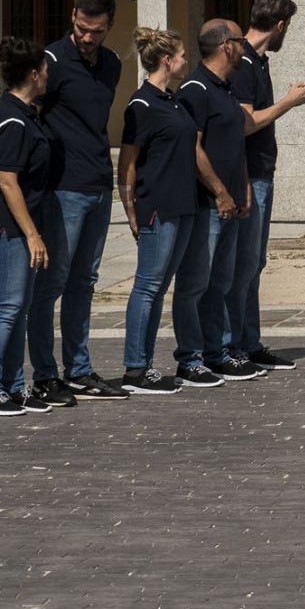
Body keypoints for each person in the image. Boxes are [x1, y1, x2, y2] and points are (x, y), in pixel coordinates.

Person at [28, 0, 127, 405]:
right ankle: (45, 375)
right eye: (81, 29)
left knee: (85, 282)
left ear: (109, 26)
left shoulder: (112, 63)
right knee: (52, 283)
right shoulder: (50, 62)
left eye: (97, 31)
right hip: (62, 189)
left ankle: (80, 369)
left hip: (98, 184)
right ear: (72, 18)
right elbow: (29, 114)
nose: (88, 38)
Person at [227, 0, 305, 373]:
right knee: (244, 265)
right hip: (249, 176)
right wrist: (289, 102)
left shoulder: (258, 62)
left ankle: (249, 342)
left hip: (262, 173)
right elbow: (246, 123)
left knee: (254, 263)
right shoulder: (244, 64)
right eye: (289, 27)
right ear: (280, 25)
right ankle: (235, 344)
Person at [0, 39, 53, 417]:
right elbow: (7, 182)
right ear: (33, 75)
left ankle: (13, 387)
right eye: (45, 69)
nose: (48, 74)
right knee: (7, 307)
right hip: (6, 226)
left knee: (19, 308)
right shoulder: (12, 119)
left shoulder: (25, 113)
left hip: (21, 225)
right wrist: (32, 233)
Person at [174, 19, 259, 384]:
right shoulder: (195, 88)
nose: (245, 48)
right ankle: (190, 357)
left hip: (233, 201)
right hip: (208, 205)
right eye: (241, 42)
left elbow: (235, 143)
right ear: (227, 45)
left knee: (221, 281)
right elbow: (193, 149)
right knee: (196, 283)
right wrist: (220, 192)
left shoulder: (224, 88)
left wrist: (243, 188)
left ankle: (218, 351)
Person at [115, 28, 198, 395]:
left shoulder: (173, 100)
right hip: (157, 208)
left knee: (160, 287)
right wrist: (131, 210)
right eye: (181, 55)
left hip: (182, 206)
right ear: (167, 60)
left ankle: (145, 365)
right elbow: (127, 164)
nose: (185, 61)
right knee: (147, 286)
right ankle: (135, 368)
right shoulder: (141, 104)